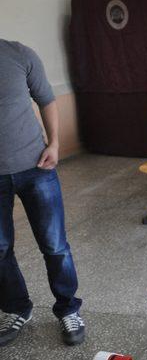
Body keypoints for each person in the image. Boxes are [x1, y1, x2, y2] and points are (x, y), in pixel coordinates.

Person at [0, 39, 85, 347]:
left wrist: (55, 144)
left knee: (55, 245)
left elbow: (47, 99)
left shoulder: (19, 54)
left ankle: (68, 309)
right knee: (0, 248)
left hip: (37, 167)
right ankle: (16, 308)